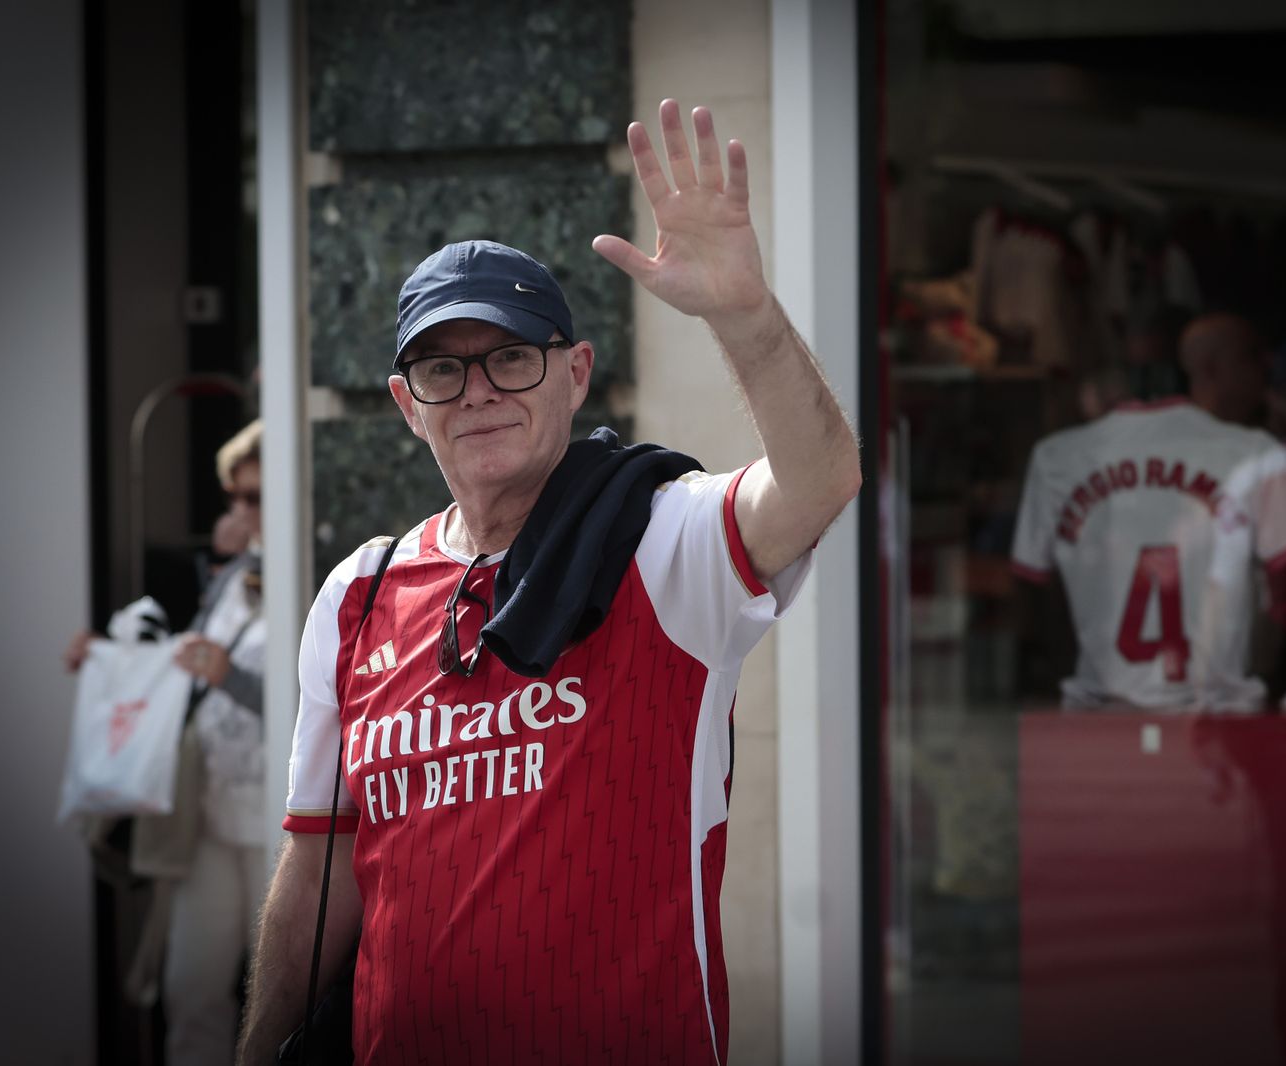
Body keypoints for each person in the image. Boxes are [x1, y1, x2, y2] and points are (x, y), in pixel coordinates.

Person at [236, 100, 859, 1065]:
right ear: (407, 405)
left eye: (512, 358)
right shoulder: (359, 595)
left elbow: (820, 480)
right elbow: (319, 867)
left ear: (575, 374)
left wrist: (744, 316)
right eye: (443, 370)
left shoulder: (662, 538)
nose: (479, 391)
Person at [66, 419, 270, 1066]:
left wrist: (229, 677)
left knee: (281, 1001)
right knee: (191, 987)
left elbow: (315, 702)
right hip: (209, 811)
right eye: (235, 496)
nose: (240, 511)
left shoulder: (318, 574)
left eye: (255, 497)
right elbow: (186, 666)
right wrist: (109, 659)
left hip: (280, 820)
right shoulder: (235, 577)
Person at [1009, 313, 1286, 709]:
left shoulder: (1058, 455)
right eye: (1252, 357)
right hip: (1217, 715)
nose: (1265, 371)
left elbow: (1033, 593)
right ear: (1206, 368)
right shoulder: (1255, 452)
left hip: (1103, 711)